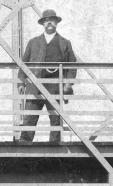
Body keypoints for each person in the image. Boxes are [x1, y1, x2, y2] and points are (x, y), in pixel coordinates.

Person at [17, 8, 77, 143]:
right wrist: (21, 82)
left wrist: (68, 83)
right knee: (29, 117)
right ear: (43, 24)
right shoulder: (33, 42)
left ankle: (54, 148)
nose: (49, 22)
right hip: (34, 85)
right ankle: (25, 144)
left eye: (52, 20)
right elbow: (23, 64)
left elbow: (72, 65)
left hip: (55, 86)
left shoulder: (65, 43)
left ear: (56, 22)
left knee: (56, 119)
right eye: (46, 20)